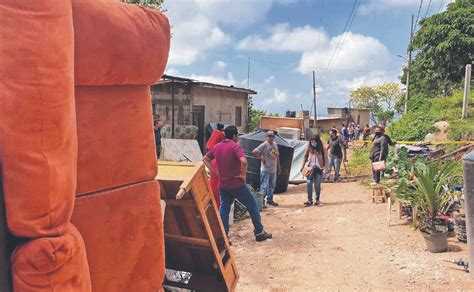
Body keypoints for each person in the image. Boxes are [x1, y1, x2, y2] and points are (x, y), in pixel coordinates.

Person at [203, 126, 272, 242]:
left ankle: (223, 236)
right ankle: (259, 232)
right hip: (236, 184)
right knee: (252, 205)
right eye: (238, 135)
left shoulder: (217, 147)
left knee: (224, 208)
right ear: (235, 136)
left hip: (223, 185)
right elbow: (244, 161)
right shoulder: (235, 146)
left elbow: (205, 159)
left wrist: (215, 172)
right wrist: (243, 175)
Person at [252, 131, 280, 207]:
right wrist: (262, 158)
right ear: (267, 137)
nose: (271, 138)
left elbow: (277, 156)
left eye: (272, 136)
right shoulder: (264, 145)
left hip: (273, 169)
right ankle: (261, 202)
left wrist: (278, 166)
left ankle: (270, 200)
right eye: (269, 136)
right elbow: (254, 152)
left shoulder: (275, 145)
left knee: (272, 185)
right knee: (264, 185)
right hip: (265, 169)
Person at [300, 135, 327, 206]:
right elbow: (305, 157)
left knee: (317, 185)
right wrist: (302, 166)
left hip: (319, 169)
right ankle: (309, 200)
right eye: (312, 142)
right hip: (310, 169)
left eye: (314, 142)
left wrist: (325, 169)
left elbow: (326, 159)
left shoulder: (322, 149)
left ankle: (317, 200)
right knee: (309, 184)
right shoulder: (309, 148)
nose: (313, 143)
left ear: (318, 142)